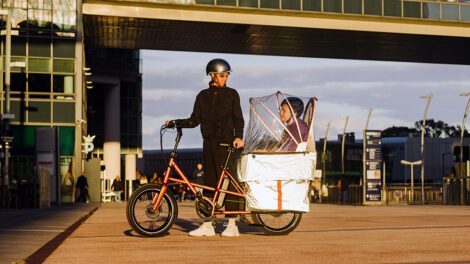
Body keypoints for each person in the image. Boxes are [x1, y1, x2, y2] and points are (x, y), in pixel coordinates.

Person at [165, 58, 244, 237]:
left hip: (226, 144)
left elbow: (238, 118)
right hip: (208, 144)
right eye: (222, 75)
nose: (226, 78)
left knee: (227, 182)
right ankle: (208, 224)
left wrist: (239, 136)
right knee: (209, 183)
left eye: (227, 75)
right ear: (213, 76)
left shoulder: (232, 94)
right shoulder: (202, 96)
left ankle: (232, 224)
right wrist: (175, 122)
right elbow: (194, 120)